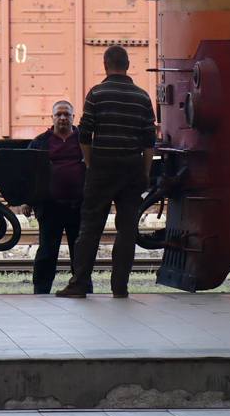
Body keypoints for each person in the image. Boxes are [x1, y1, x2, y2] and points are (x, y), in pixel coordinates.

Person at [55, 45, 155, 299]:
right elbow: (148, 142)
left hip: (101, 167)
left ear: (105, 65)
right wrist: (144, 173)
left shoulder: (97, 94)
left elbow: (85, 135)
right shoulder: (143, 97)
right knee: (127, 230)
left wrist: (90, 163)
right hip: (132, 168)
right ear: (128, 65)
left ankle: (79, 284)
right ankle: (120, 287)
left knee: (90, 228)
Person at [27, 100, 85, 294]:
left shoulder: (84, 141)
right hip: (50, 205)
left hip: (79, 205)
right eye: (58, 114)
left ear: (73, 118)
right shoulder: (40, 142)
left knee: (80, 252)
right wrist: (28, 200)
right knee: (47, 251)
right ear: (52, 118)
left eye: (66, 114)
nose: (62, 118)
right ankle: (41, 289)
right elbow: (29, 172)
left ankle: (82, 286)